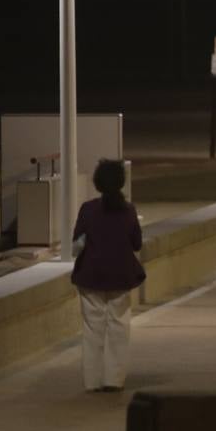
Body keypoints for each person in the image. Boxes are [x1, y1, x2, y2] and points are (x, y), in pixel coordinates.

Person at [70, 159, 146, 393]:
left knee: (93, 328)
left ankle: (92, 380)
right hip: (121, 276)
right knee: (118, 326)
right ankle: (114, 378)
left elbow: (76, 244)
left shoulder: (88, 209)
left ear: (97, 183)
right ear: (121, 183)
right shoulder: (129, 211)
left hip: (91, 275)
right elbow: (136, 244)